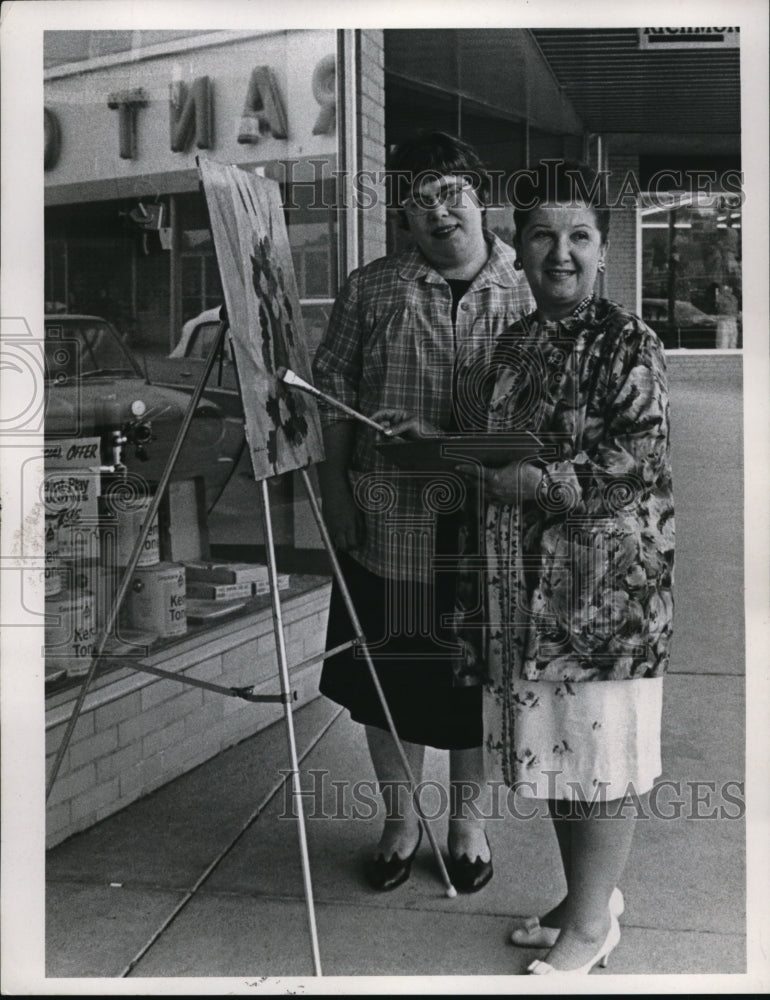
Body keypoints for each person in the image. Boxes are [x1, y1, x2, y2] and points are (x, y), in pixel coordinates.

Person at [385, 159, 674, 973]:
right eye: (543, 235)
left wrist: (536, 480)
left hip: (602, 604)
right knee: (556, 757)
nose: (560, 253)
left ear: (603, 249)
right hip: (522, 601)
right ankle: (585, 901)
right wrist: (431, 440)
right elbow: (483, 441)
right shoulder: (516, 344)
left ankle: (593, 926)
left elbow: (632, 464)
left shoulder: (631, 342)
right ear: (520, 244)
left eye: (578, 236)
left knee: (600, 761)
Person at [311, 130, 534, 893]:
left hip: (487, 534)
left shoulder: (526, 287)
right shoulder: (370, 288)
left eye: (452, 194)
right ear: (402, 218)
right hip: (386, 528)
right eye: (419, 201)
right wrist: (335, 489)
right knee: (389, 685)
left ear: (480, 199)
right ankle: (400, 822)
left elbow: (548, 422)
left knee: (474, 687)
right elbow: (331, 395)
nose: (438, 212)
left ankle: (467, 825)